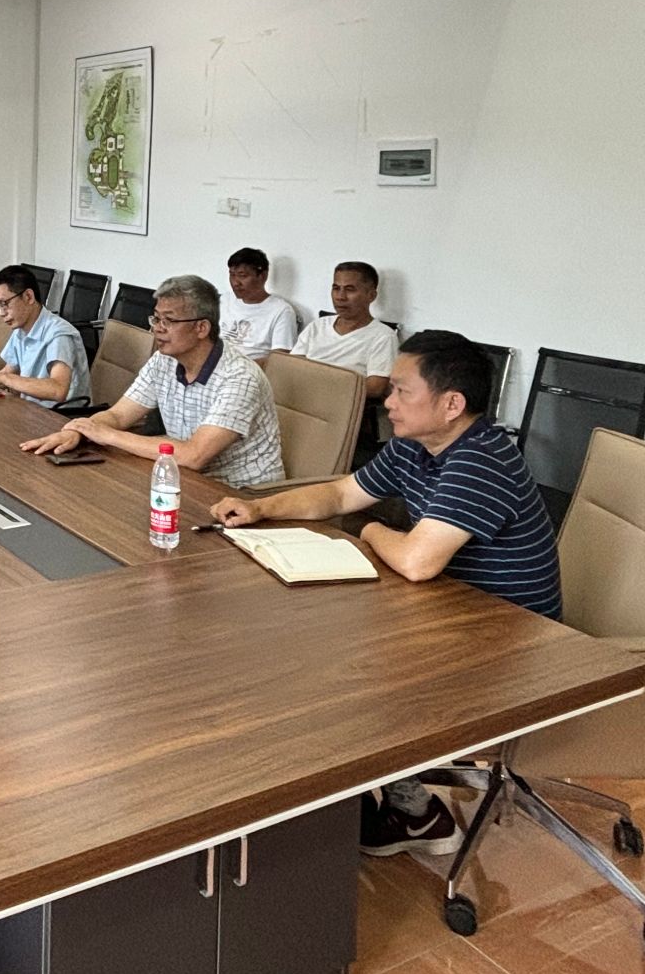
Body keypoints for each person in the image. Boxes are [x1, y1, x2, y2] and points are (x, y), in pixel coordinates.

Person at [211, 330, 561, 855]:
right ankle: (372, 800)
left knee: (341, 672)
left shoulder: (481, 459)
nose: (388, 402)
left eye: (401, 391)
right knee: (312, 639)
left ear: (451, 404)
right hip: (449, 610)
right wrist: (262, 508)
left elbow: (418, 562)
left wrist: (372, 529)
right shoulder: (415, 445)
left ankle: (414, 813)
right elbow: (340, 494)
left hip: (509, 642)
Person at [19, 275, 283, 490]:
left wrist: (108, 435)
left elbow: (194, 455)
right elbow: (118, 416)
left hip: (242, 494)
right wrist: (77, 432)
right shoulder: (163, 361)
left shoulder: (239, 377)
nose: (157, 328)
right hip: (182, 478)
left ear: (201, 328)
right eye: (156, 318)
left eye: (169, 321)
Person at [0, 265, 90, 407]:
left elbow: (58, 390)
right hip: (32, 411)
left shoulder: (59, 334)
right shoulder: (21, 330)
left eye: (4, 304)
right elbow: (8, 371)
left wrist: (4, 378)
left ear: (28, 297)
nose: (1, 313)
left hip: (62, 416)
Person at [291, 261, 399, 398]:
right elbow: (292, 366)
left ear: (371, 296)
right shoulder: (318, 326)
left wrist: (322, 386)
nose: (340, 297)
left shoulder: (383, 336)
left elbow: (375, 387)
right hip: (300, 397)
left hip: (340, 402)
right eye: (336, 288)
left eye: (350, 289)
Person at [222, 248, 299, 360]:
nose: (235, 282)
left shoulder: (281, 311)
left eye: (242, 275)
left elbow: (279, 359)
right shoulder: (224, 300)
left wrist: (237, 366)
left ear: (262, 276)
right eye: (232, 275)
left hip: (249, 368)